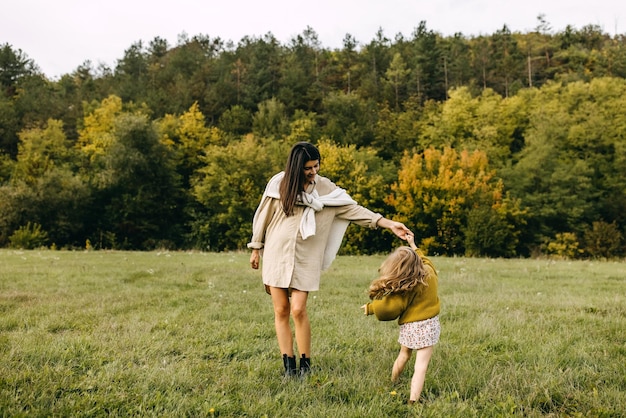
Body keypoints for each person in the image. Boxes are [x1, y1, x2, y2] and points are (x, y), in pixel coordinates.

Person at [248, 141, 411, 377]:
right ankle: (288, 367)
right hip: (277, 253)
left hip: (306, 257)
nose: (314, 171)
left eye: (316, 166)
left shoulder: (326, 190)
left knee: (298, 310)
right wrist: (256, 248)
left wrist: (387, 223)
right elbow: (263, 216)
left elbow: (354, 210)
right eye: (308, 168)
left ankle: (305, 366)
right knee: (281, 310)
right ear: (296, 168)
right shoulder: (279, 185)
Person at [361, 232, 440, 404]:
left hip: (410, 328)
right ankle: (413, 400)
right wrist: (413, 244)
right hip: (429, 326)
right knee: (421, 366)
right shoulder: (430, 273)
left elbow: (389, 307)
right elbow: (425, 260)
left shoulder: (407, 285)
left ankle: (393, 381)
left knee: (404, 355)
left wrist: (371, 308)